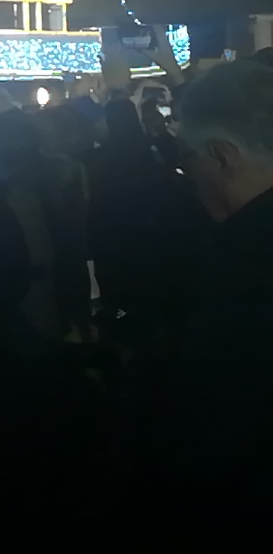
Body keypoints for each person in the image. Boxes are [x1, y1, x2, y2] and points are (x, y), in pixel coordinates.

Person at [145, 60, 273, 528]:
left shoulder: (241, 265)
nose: (187, 174)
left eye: (187, 159)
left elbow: (209, 435)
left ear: (221, 155)